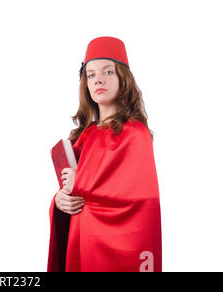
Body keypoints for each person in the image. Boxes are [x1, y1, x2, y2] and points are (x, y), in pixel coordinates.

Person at [47, 36, 162, 272]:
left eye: (108, 72)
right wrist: (60, 201)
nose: (98, 79)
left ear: (123, 78)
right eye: (90, 75)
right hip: (81, 242)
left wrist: (82, 182)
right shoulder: (83, 136)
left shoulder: (135, 134)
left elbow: (140, 198)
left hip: (117, 252)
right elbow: (72, 192)